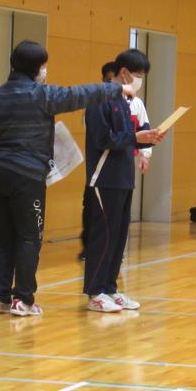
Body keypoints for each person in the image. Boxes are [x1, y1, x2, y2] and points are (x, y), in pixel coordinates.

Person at [0, 40, 130, 317]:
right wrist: (116, 88)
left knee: (5, 237)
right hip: (27, 176)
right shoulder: (41, 95)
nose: (45, 70)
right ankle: (23, 299)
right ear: (36, 67)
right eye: (43, 65)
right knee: (29, 237)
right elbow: (78, 95)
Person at [84, 49, 164, 312]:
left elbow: (130, 137)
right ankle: (95, 291)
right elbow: (102, 138)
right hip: (104, 176)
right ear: (123, 72)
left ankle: (110, 287)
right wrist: (135, 138)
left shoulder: (125, 100)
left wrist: (147, 139)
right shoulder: (99, 98)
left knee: (119, 236)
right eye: (137, 75)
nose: (139, 80)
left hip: (124, 177)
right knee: (103, 235)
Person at [79, 61, 121, 261]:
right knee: (91, 208)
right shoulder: (96, 103)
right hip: (97, 170)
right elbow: (97, 134)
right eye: (108, 80)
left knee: (115, 214)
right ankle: (88, 247)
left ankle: (112, 251)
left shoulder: (130, 102)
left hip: (119, 170)